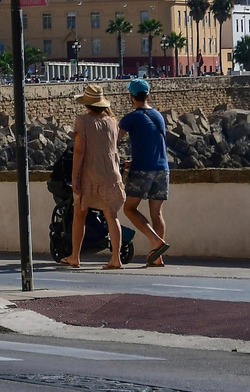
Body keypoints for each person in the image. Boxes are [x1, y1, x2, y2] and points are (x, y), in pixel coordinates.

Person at [62, 84, 125, 269]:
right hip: (111, 172)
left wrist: (75, 176)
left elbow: (79, 151)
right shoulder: (113, 121)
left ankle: (75, 256)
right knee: (111, 214)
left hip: (90, 172)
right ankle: (116, 258)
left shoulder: (82, 121)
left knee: (80, 214)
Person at [119, 78, 172, 266]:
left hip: (143, 170)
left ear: (131, 97)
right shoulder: (158, 116)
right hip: (163, 169)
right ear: (148, 95)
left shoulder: (131, 117)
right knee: (156, 213)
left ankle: (156, 241)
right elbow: (154, 145)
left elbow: (114, 139)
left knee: (129, 208)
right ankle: (157, 256)